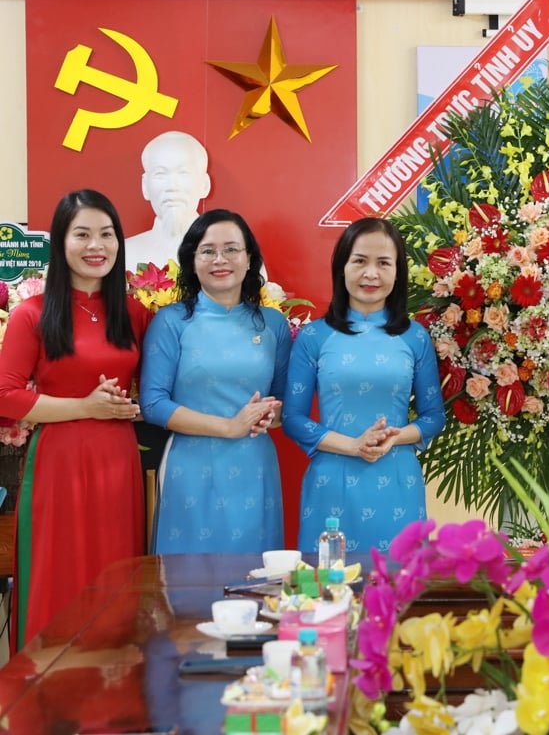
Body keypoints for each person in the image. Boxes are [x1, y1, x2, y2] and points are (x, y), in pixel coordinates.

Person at [0, 189, 150, 649]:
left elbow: (152, 391)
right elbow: (6, 396)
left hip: (118, 462)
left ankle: (113, 704)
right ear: (61, 244)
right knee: (57, 573)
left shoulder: (136, 313)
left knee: (115, 574)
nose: (96, 245)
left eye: (106, 234)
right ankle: (45, 701)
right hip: (57, 464)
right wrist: (86, 407)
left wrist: (133, 405)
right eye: (81, 234)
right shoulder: (33, 314)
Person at [282, 217, 445, 554]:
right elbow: (293, 419)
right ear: (342, 267)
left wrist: (394, 436)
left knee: (399, 592)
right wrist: (354, 445)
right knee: (329, 596)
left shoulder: (416, 337)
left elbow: (433, 417)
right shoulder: (314, 337)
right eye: (360, 261)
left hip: (398, 479)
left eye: (383, 263)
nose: (371, 273)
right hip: (331, 481)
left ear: (397, 272)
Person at [140, 208, 291, 554]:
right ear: (192, 261)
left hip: (255, 466)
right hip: (189, 467)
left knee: (254, 578)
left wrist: (272, 414)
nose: (220, 259)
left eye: (232, 249)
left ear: (249, 258)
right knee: (186, 582)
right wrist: (228, 426)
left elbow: (282, 402)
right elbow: (153, 403)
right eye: (207, 251)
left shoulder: (273, 324)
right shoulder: (172, 321)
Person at [125, 131, 211, 272]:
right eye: (160, 174)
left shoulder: (234, 255)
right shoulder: (124, 254)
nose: (172, 186)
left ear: (204, 184)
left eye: (184, 173)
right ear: (145, 186)